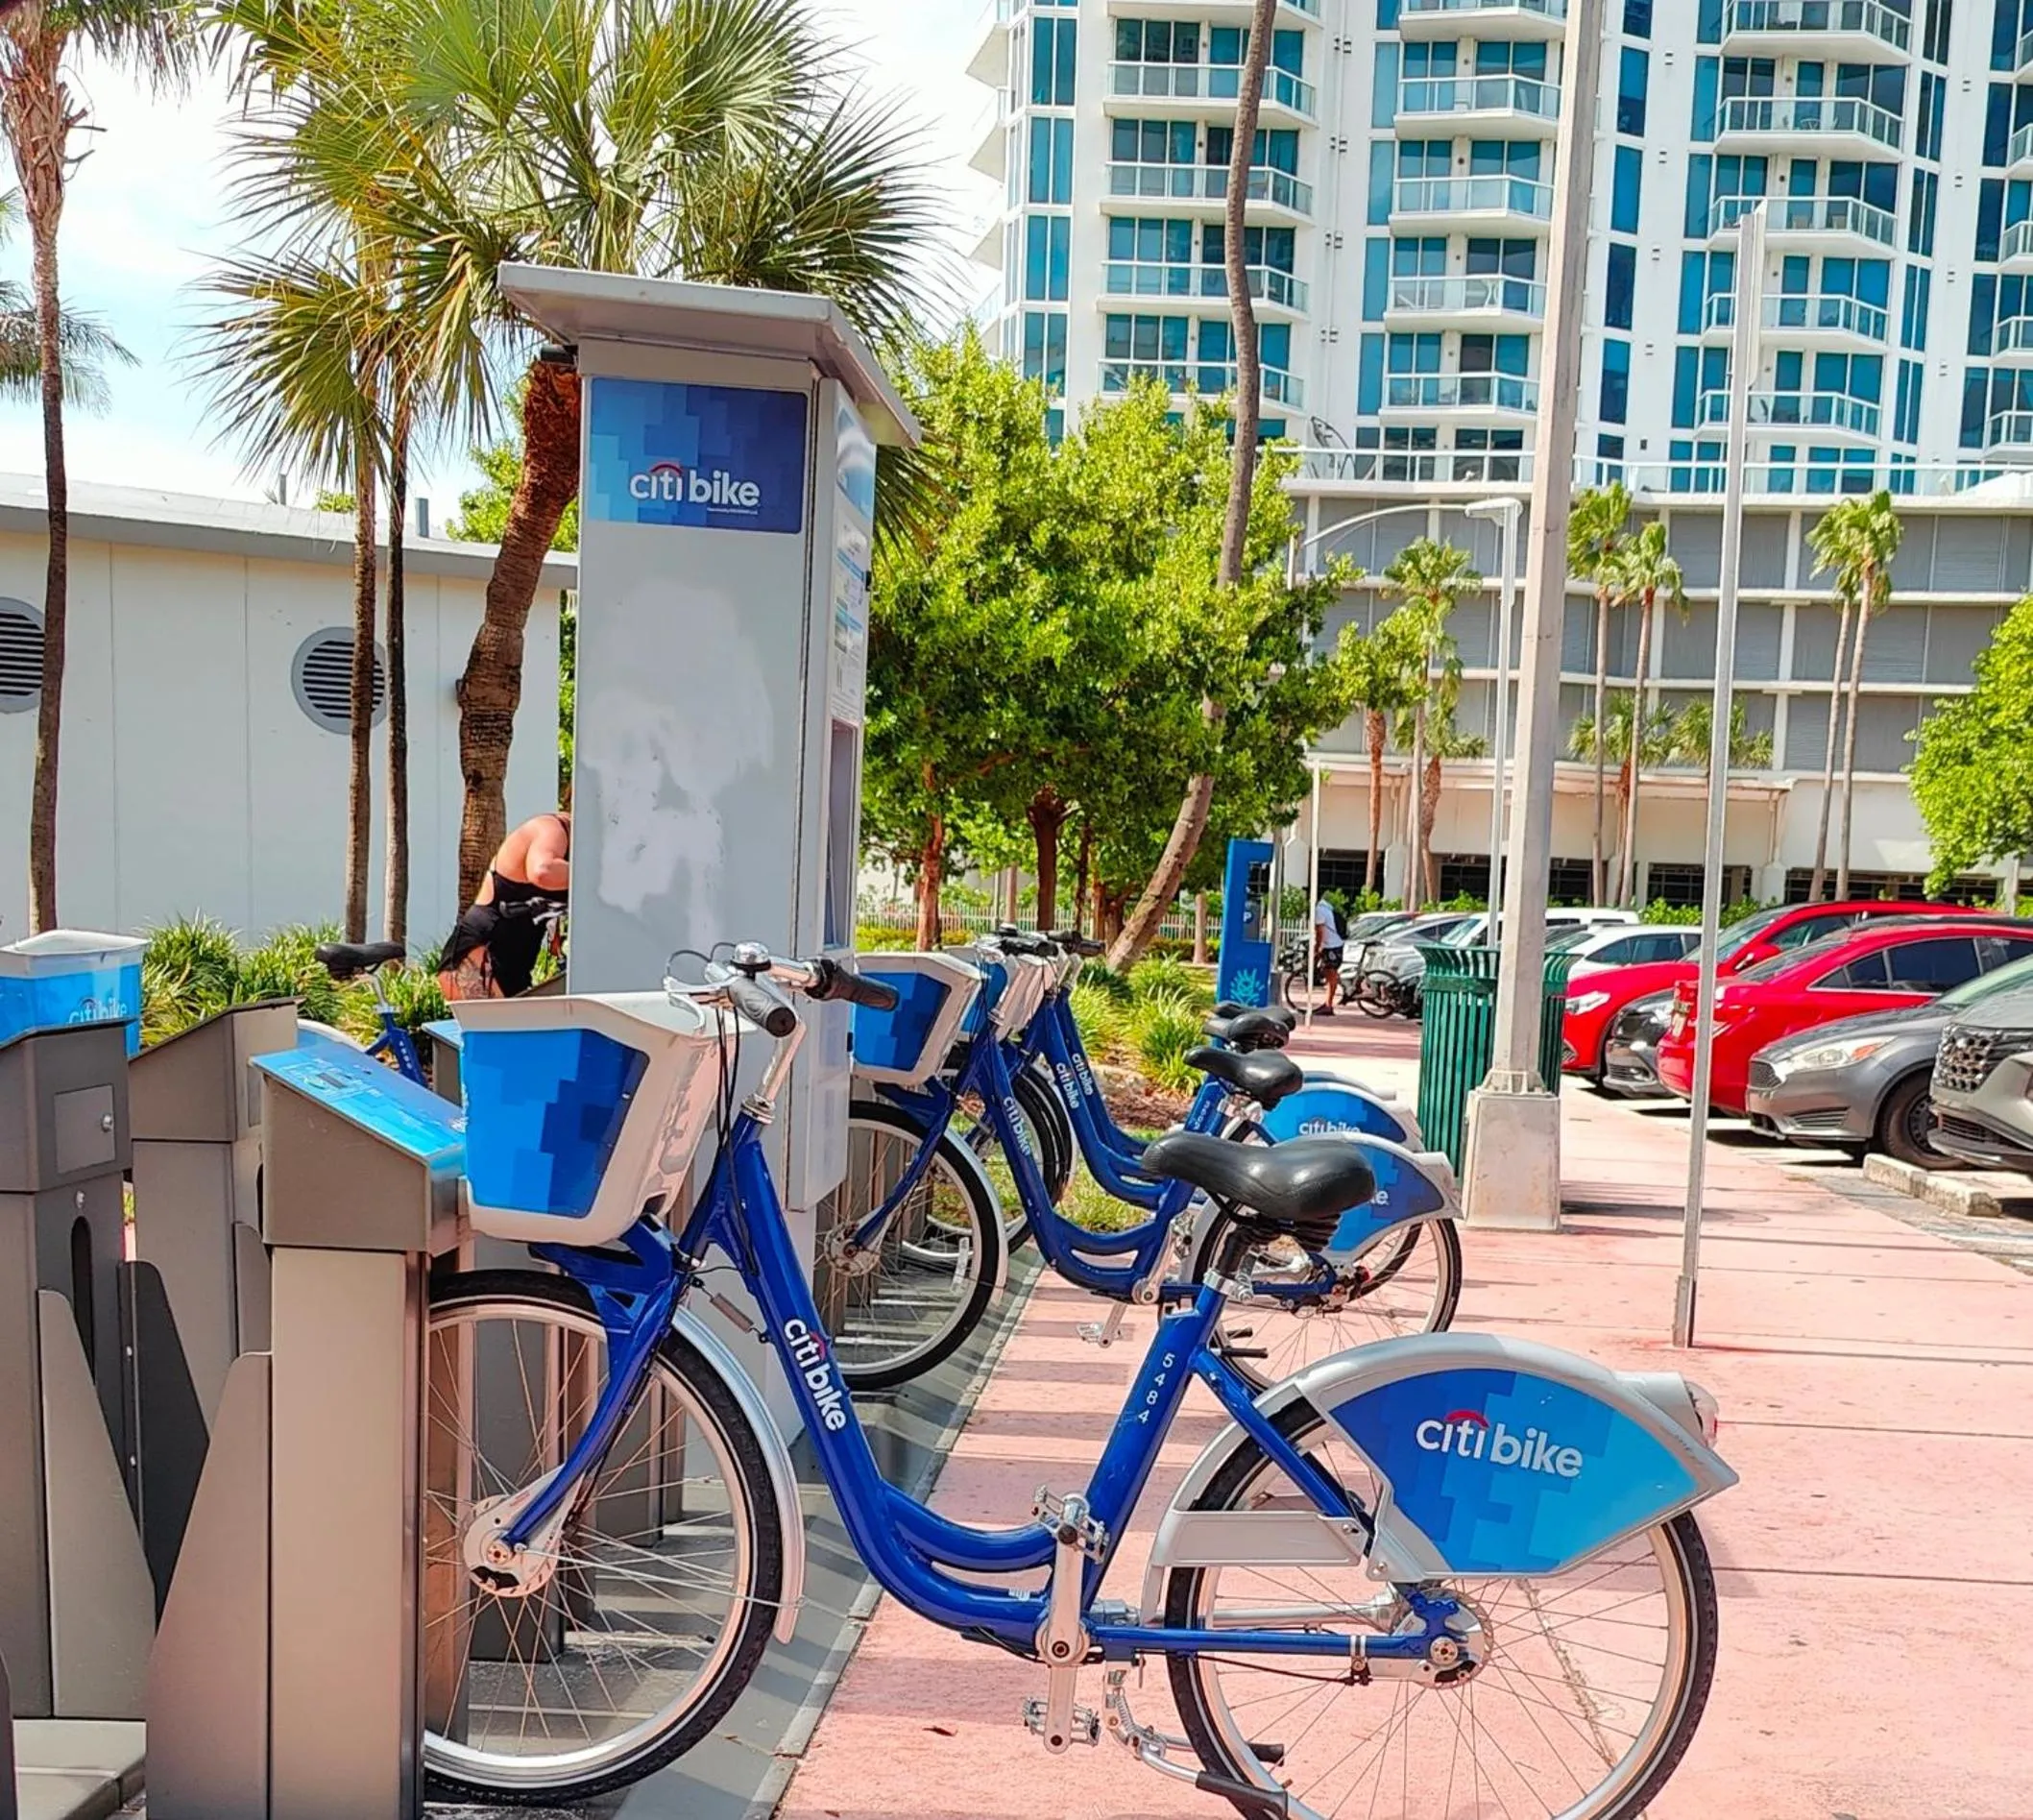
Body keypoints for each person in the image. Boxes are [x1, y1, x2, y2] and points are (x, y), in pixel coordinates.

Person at [437, 810, 570, 1000]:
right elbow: (542, 871)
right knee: (494, 1028)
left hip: (516, 970)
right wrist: (604, 874)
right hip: (478, 959)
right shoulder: (552, 828)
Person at [1313, 893, 1343, 1015]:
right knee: (1329, 972)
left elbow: (1320, 931)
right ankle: (1328, 1003)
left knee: (1331, 976)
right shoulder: (1327, 908)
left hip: (1331, 945)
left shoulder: (1320, 910)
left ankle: (1328, 1005)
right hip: (1334, 944)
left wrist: (1317, 946)